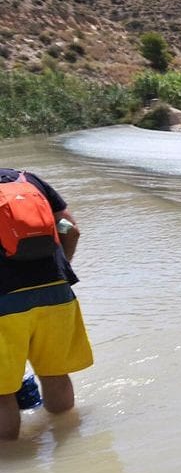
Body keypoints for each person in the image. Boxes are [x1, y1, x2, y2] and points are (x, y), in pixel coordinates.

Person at [0, 168, 92, 441]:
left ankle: (12, 459)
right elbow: (70, 230)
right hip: (55, 292)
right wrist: (61, 270)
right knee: (55, 375)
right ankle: (67, 441)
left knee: (2, 393)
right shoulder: (27, 179)